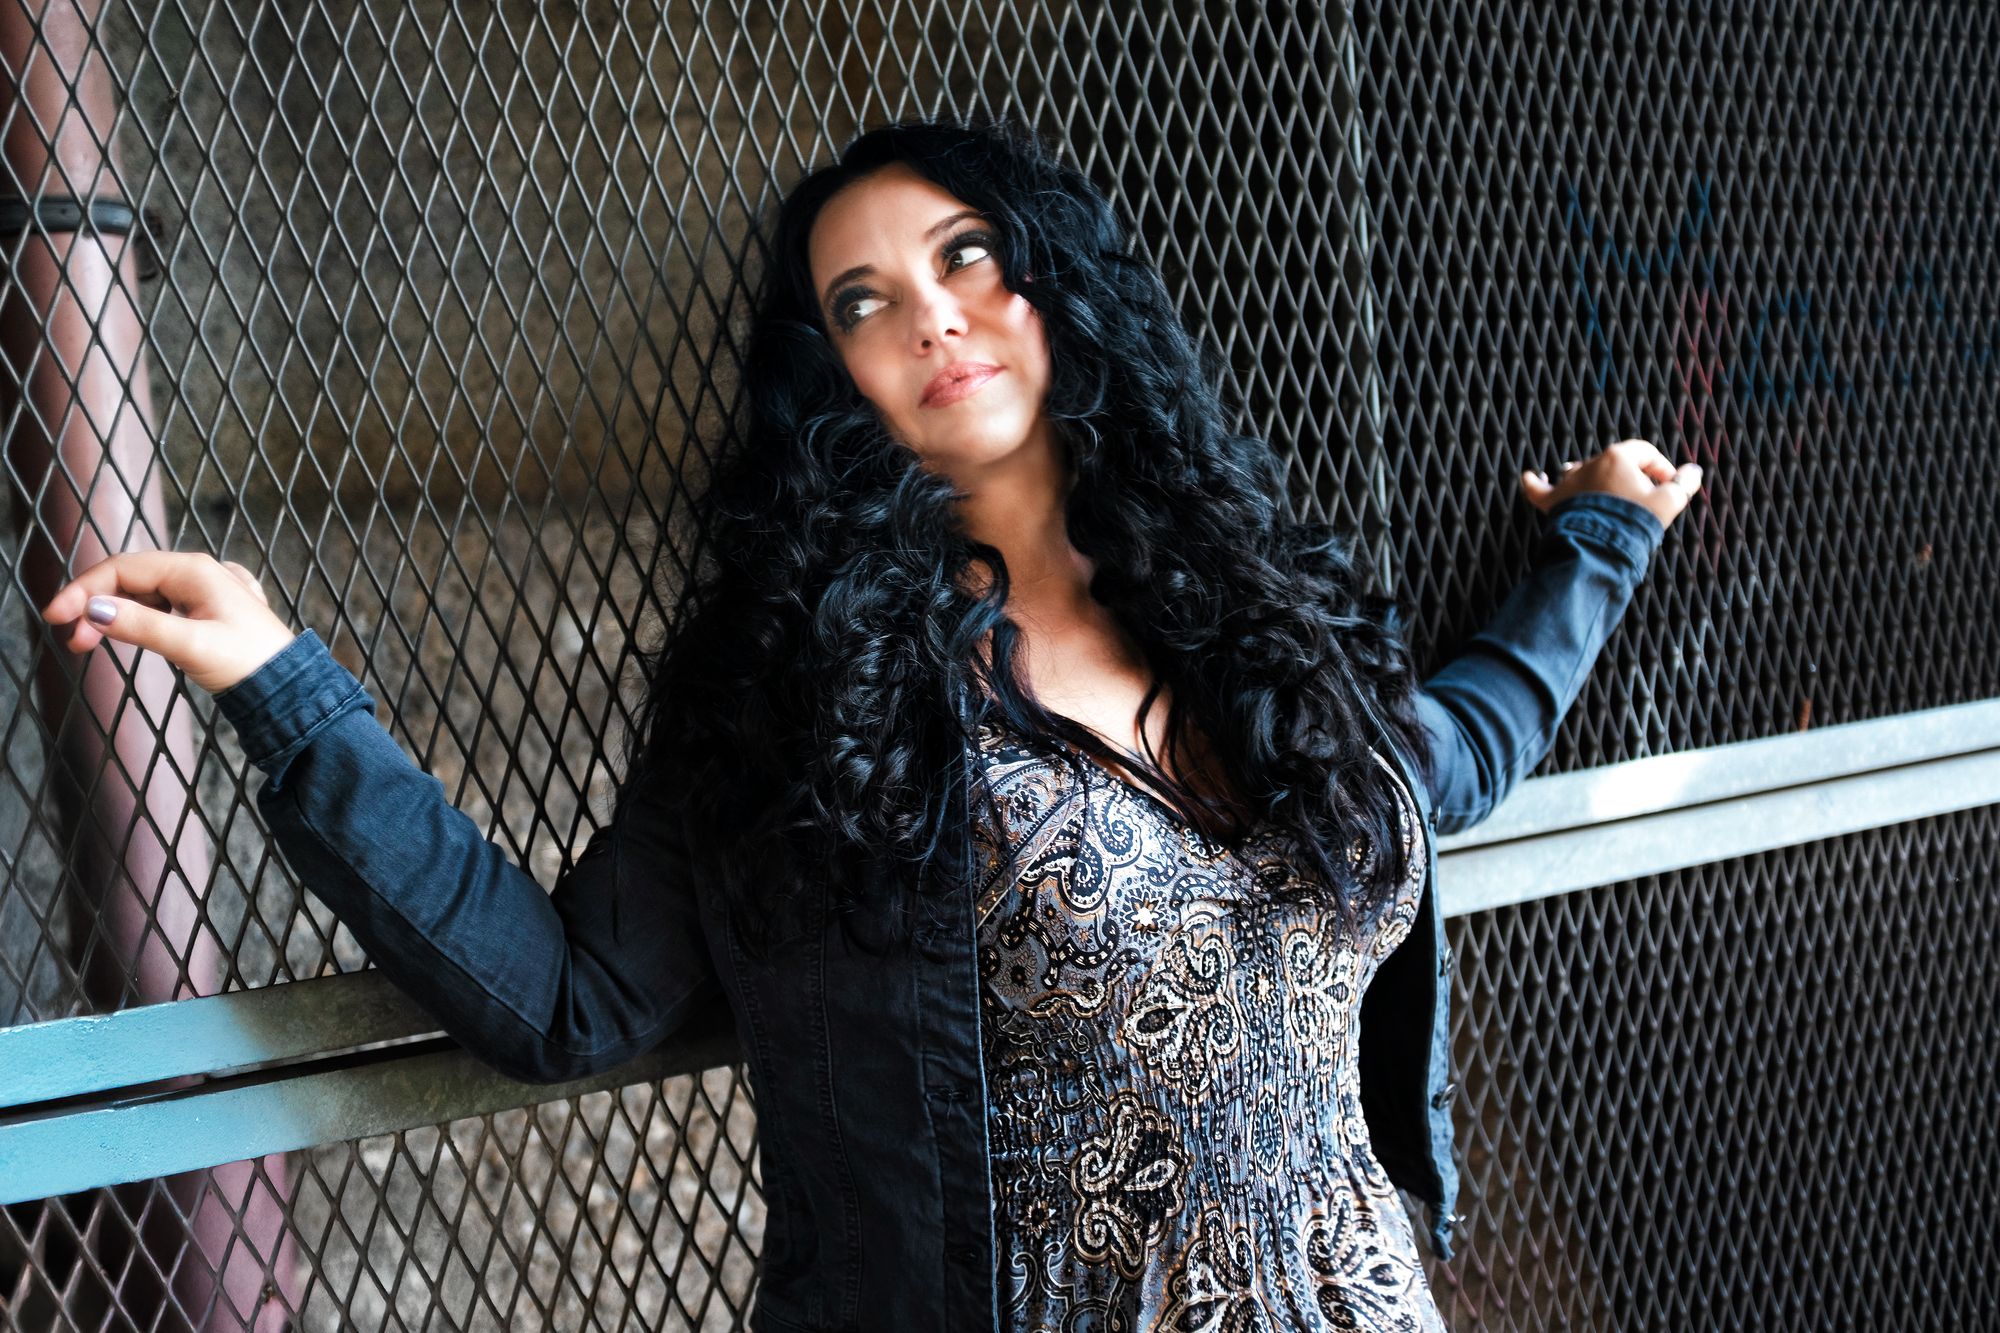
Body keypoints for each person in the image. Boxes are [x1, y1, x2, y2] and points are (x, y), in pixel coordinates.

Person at [38, 115, 1701, 1330]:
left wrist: (1601, 541)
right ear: (832, 379)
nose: (931, 317)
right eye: (861, 303)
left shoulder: (1250, 610)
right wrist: (287, 686)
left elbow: (1442, 761)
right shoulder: (803, 688)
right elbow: (568, 999)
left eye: (965, 256)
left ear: (1055, 280)